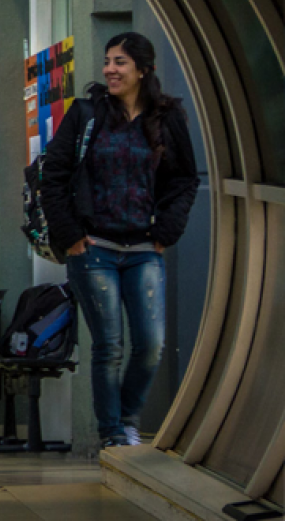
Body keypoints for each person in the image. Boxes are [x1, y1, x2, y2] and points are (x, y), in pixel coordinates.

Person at [41, 32, 199, 448]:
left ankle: (127, 417)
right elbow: (53, 175)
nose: (110, 69)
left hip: (145, 247)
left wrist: (167, 231)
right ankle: (113, 431)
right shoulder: (87, 113)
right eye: (108, 60)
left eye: (121, 62)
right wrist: (71, 235)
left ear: (143, 70)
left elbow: (184, 179)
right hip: (94, 248)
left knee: (150, 344)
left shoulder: (168, 118)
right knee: (109, 345)